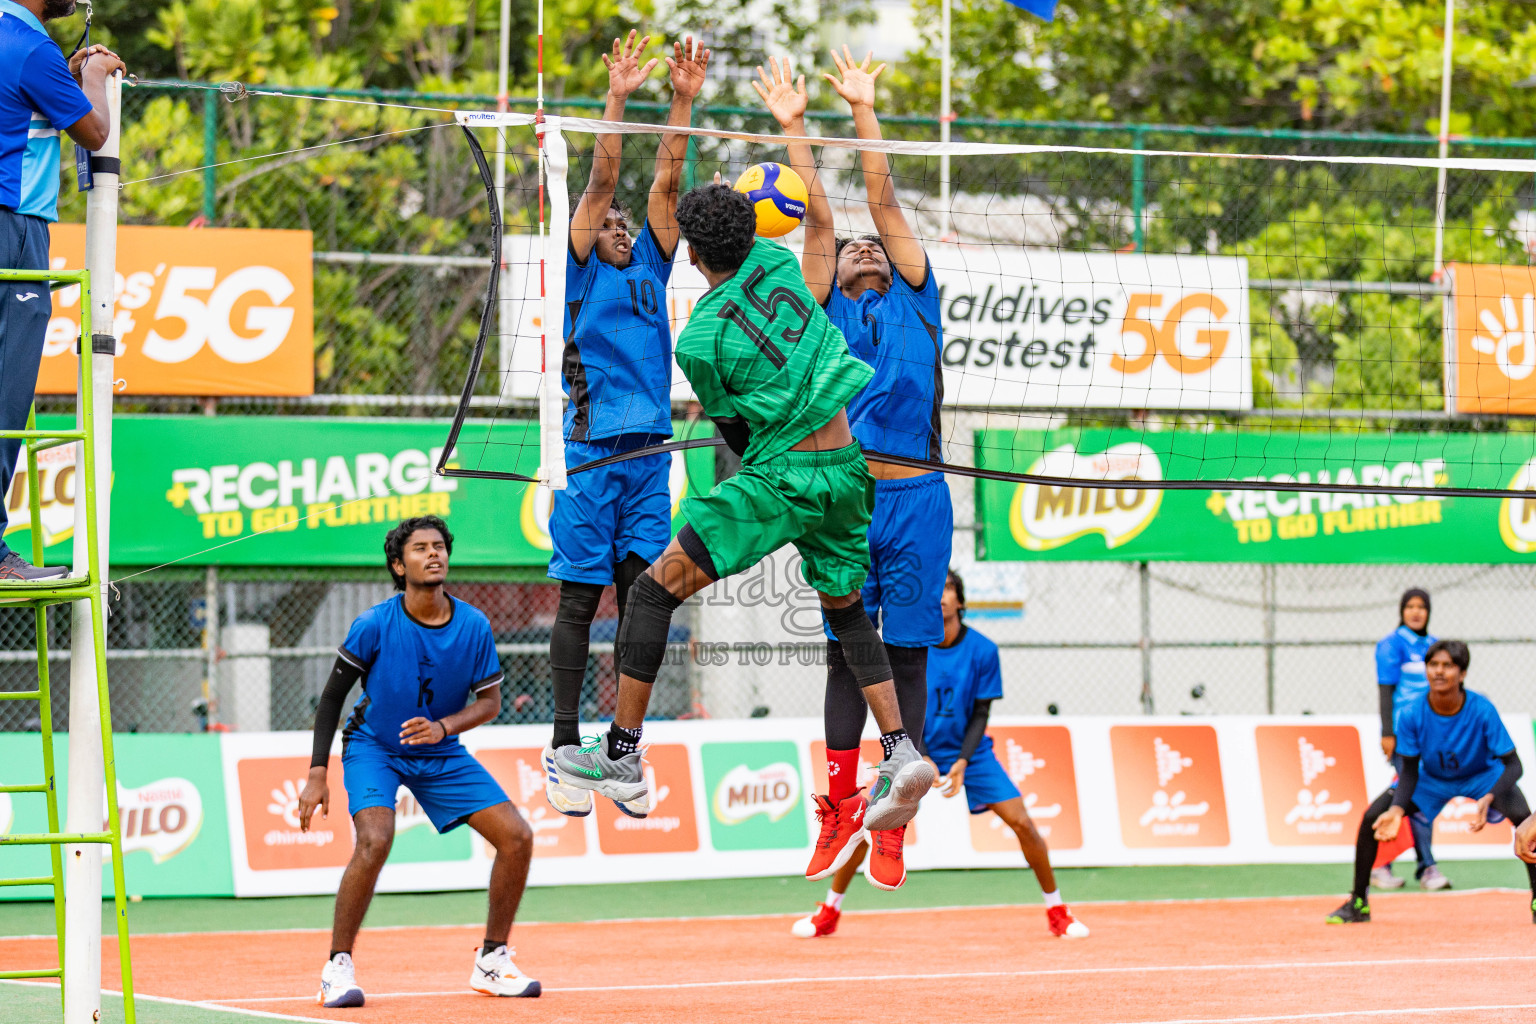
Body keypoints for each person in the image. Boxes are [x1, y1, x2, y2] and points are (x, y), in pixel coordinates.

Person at [547, 182, 936, 841]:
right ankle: (899, 750)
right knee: (846, 610)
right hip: (848, 470)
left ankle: (621, 754)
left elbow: (734, 433)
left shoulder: (698, 341)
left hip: (783, 475)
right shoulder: (778, 260)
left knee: (652, 592)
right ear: (753, 234)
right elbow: (806, 223)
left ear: (692, 255)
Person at [752, 50, 951, 891]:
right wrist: (795, 127)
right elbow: (823, 218)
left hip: (920, 496)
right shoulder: (825, 305)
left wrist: (863, 109)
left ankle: (897, 813)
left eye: (877, 247)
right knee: (845, 655)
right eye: (854, 250)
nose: (865, 247)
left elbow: (880, 198)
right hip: (846, 499)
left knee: (910, 656)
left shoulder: (916, 295)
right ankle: (837, 805)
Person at [542, 30, 710, 818]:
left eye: (622, 223)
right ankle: (562, 746)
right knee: (579, 600)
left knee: (646, 597)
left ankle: (621, 750)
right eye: (605, 220)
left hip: (649, 455)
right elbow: (604, 178)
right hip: (587, 454)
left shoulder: (650, 262)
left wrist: (681, 99)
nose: (616, 224)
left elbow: (664, 184)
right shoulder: (577, 269)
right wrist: (617, 96)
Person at [297, 517, 539, 1006]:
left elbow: (490, 703)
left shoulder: (473, 625)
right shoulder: (373, 624)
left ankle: (492, 960)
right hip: (375, 746)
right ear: (398, 565)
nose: (434, 554)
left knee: (517, 837)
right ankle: (337, 967)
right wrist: (317, 773)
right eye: (421, 548)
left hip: (440, 749)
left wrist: (443, 727)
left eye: (439, 546)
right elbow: (331, 699)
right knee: (375, 839)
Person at [793, 570, 1088, 935]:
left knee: (1023, 823)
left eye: (949, 588)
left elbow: (981, 713)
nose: (942, 595)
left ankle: (1057, 910)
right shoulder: (911, 648)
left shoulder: (983, 650)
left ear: (960, 601)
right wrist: (922, 755)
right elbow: (897, 707)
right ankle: (829, 911)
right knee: (870, 822)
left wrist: (963, 761)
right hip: (915, 750)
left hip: (971, 753)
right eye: (939, 587)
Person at [0, 0, 122, 581]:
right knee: (6, 396)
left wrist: (66, 74)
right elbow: (95, 131)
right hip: (14, 227)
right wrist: (94, 72)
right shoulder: (29, 47)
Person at [1326, 640, 1536, 925]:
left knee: (1528, 822)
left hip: (1482, 777)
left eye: (1447, 665)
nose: (1439, 671)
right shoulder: (1412, 712)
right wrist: (1397, 809)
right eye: (1433, 664)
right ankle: (1358, 903)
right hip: (1432, 779)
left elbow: (1514, 765)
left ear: (1462, 674)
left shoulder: (1482, 709)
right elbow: (1409, 770)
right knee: (1373, 816)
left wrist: (1489, 797)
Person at [1370, 588, 1450, 891]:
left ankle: (1383, 864)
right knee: (1413, 796)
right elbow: (1386, 691)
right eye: (1410, 606)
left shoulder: (1434, 646)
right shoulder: (1391, 645)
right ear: (1402, 611)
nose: (1416, 612)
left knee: (1410, 799)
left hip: (1432, 735)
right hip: (1405, 736)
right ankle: (1426, 868)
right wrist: (1387, 732)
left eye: (1421, 607)